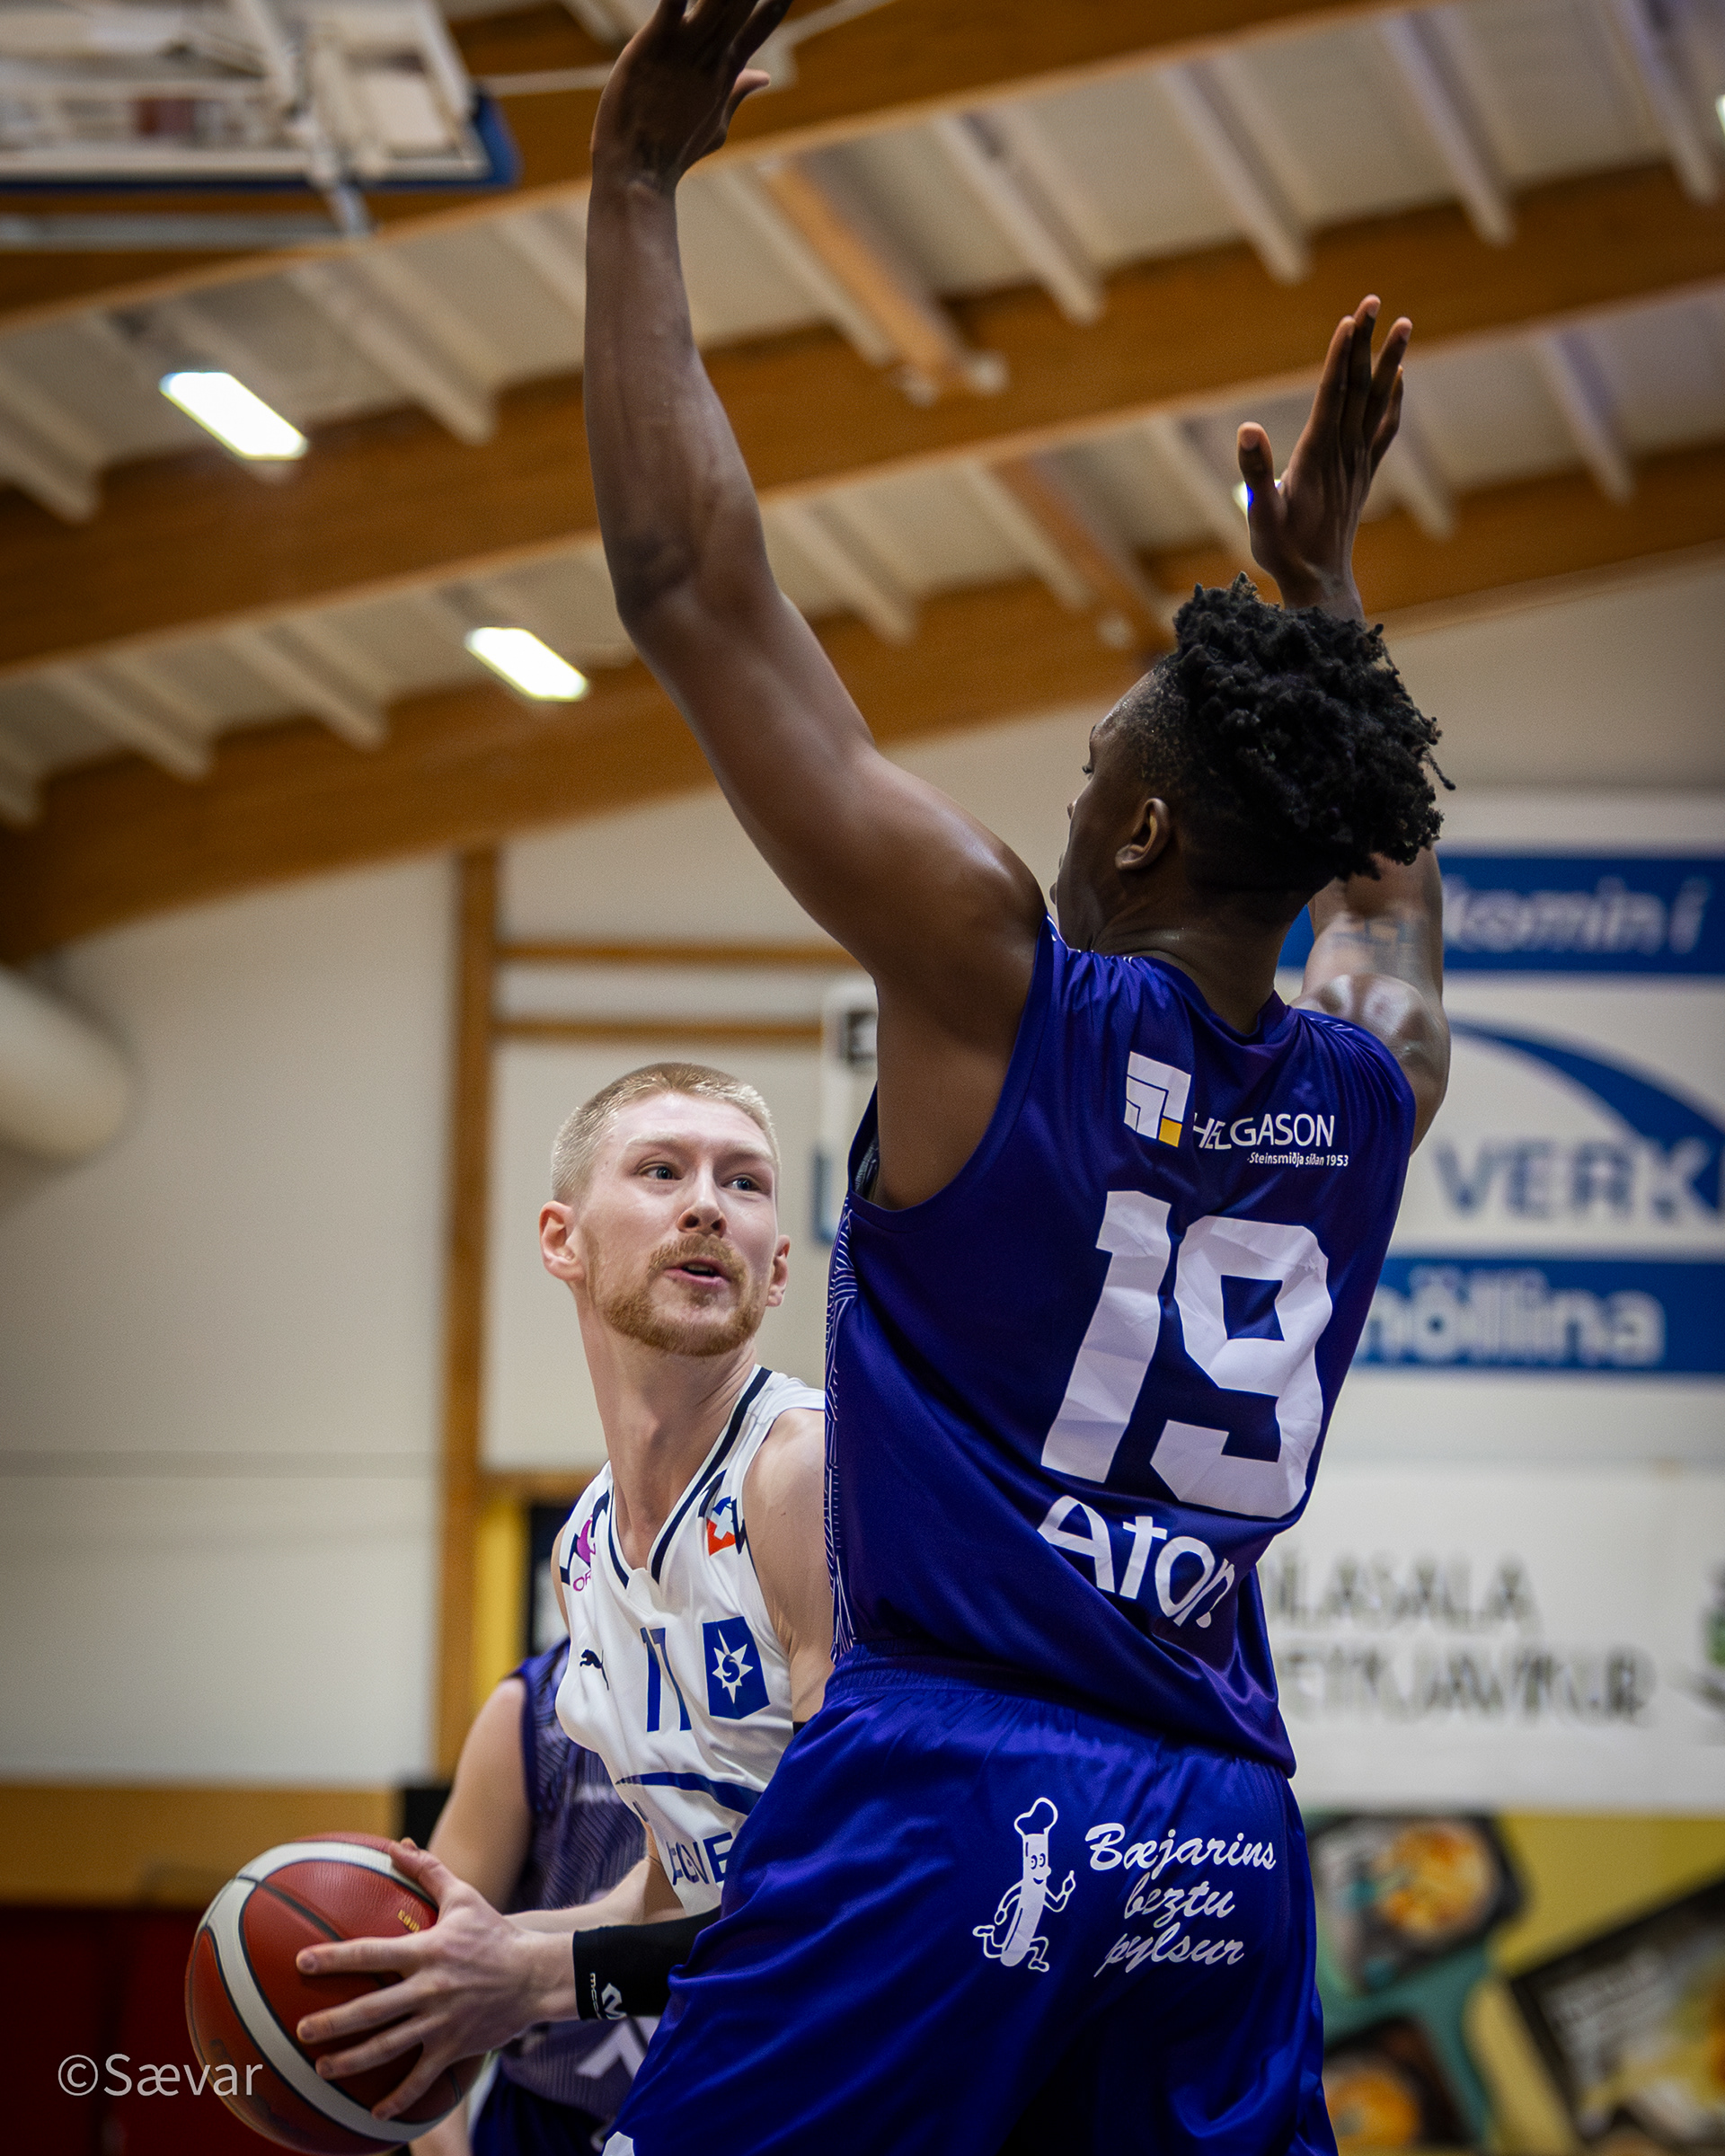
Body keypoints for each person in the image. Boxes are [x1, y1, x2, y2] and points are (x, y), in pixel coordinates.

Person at [562, 6, 1450, 2153]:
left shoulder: (1002, 986)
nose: (1068, 795)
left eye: (1092, 768)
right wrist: (1325, 598)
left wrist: (632, 184)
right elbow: (1395, 924)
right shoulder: (1373, 1092)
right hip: (1222, 1838)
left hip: (958, 1791)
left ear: (1138, 829)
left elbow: (691, 587)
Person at [294, 1063, 828, 2130]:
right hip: (753, 2056)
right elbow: (677, 1890)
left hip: (898, 2066)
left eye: (745, 1182)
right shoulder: (582, 1552)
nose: (706, 1205)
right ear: (560, 1240)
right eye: (662, 1170)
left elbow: (861, 1881)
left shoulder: (803, 1476)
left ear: (776, 1269)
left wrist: (537, 1980)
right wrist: (460, 1959)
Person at [411, 1640, 652, 2156]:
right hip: (545, 2119)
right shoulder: (531, 1717)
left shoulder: (787, 1702)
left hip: (731, 2113)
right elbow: (430, 1987)